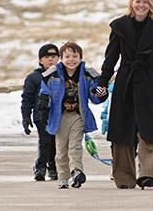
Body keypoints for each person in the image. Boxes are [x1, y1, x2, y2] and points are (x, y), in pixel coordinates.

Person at [97, 0, 153, 190]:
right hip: (125, 80)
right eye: (137, 1)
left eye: (145, 1)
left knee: (147, 127)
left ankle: (148, 174)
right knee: (122, 127)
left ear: (150, 5)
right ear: (132, 4)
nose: (141, 5)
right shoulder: (119, 26)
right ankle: (124, 177)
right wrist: (102, 82)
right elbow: (111, 57)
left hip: (148, 81)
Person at [38, 42, 106, 189]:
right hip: (59, 117)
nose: (71, 60)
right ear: (61, 58)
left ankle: (77, 171)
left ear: (81, 57)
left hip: (78, 115)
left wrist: (100, 93)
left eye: (75, 56)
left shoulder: (88, 73)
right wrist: (43, 103)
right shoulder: (52, 73)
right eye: (67, 56)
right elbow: (44, 90)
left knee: (75, 146)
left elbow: (95, 94)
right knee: (61, 149)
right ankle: (63, 177)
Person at [20, 43, 59, 181]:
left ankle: (54, 167)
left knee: (56, 143)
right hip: (41, 116)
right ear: (40, 60)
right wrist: (26, 117)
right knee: (45, 142)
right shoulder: (34, 77)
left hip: (58, 115)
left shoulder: (61, 74)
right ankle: (40, 167)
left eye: (54, 57)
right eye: (47, 57)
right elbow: (27, 99)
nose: (50, 60)